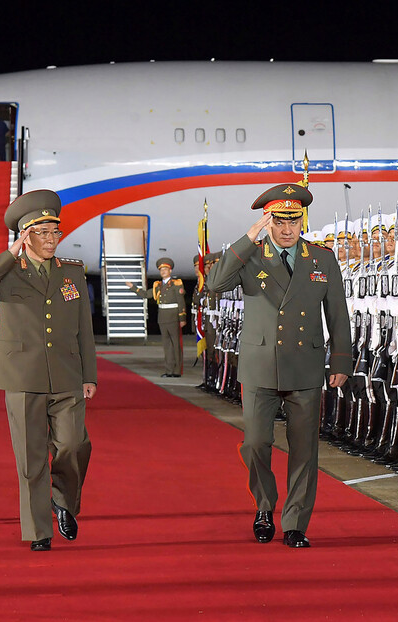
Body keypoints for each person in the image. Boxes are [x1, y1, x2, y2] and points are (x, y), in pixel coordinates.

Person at [206, 181, 351, 548]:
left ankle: (296, 523)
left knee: (305, 448)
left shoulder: (321, 258)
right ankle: (264, 506)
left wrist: (341, 360)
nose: (287, 230)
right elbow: (215, 283)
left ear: (302, 220)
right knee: (255, 443)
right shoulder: (249, 256)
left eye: (294, 221)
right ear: (267, 221)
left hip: (305, 364)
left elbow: (338, 314)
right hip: (260, 365)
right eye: (279, 222)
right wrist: (248, 237)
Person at [0, 190, 97, 552]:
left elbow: (84, 328)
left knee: (74, 445)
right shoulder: (9, 272)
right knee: (31, 459)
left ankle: (63, 500)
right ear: (25, 236)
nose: (52, 240)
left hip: (67, 375)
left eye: (55, 232)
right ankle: (39, 531)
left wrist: (90, 375)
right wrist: (10, 254)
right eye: (43, 233)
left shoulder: (71, 272)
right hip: (23, 377)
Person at [127, 258, 187, 377]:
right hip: (163, 317)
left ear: (170, 270)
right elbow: (145, 294)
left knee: (176, 345)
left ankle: (177, 371)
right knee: (167, 346)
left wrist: (182, 318)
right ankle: (169, 370)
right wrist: (133, 287)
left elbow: (181, 302)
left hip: (173, 316)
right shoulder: (158, 285)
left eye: (165, 269)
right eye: (161, 270)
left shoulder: (176, 284)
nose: (163, 272)